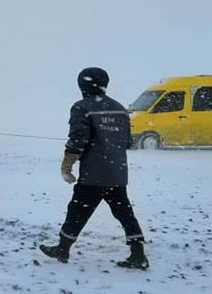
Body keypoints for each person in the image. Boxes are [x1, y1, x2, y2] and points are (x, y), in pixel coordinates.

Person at [40, 67, 149, 269]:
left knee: (77, 210)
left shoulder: (82, 107)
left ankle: (62, 249)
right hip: (117, 172)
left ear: (82, 85)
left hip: (93, 173)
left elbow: (78, 139)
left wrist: (67, 164)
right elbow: (127, 142)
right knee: (124, 212)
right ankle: (138, 253)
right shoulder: (120, 109)